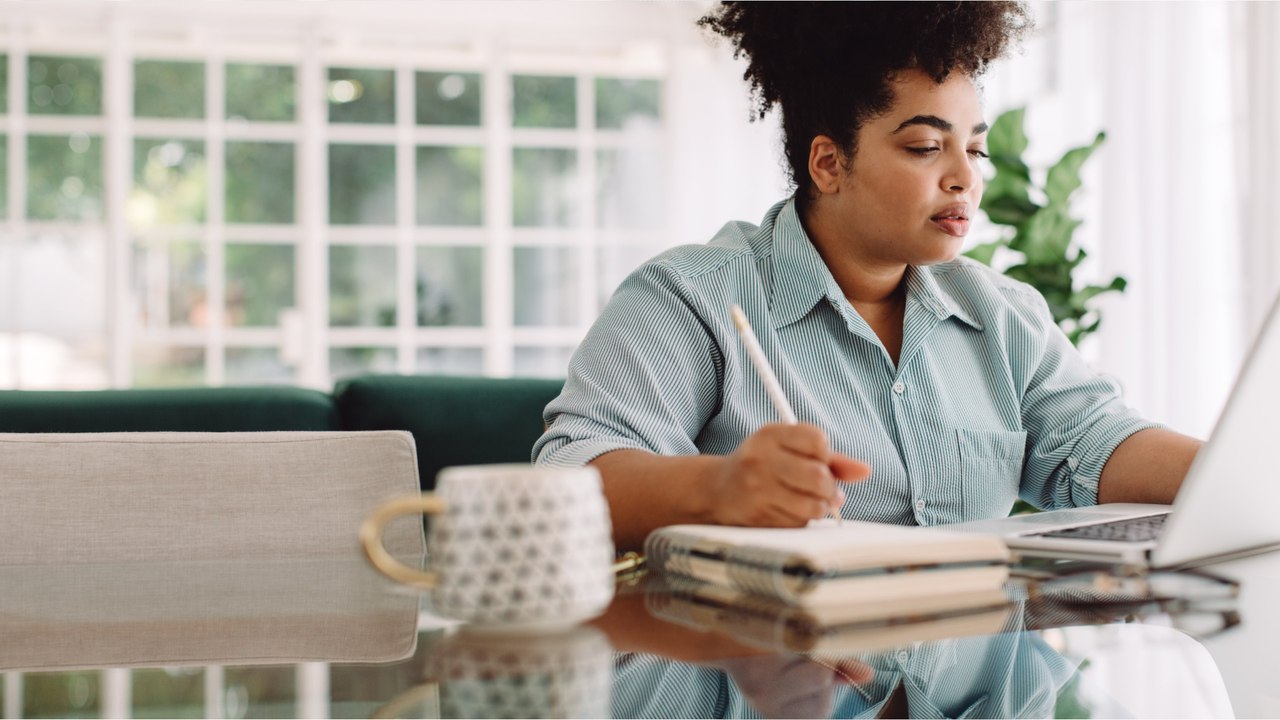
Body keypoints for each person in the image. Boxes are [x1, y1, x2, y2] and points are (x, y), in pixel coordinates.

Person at [533, 1, 1202, 551]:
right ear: (828, 163)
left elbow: (1091, 441)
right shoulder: (690, 299)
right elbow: (564, 479)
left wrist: (1237, 474)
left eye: (974, 147)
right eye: (924, 146)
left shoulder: (1003, 314)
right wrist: (718, 488)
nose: (965, 176)